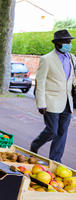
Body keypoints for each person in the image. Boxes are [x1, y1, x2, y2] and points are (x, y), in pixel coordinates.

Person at [31, 29, 76, 162]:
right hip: (51, 102)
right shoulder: (46, 59)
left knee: (62, 133)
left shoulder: (72, 58)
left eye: (70, 41)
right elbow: (40, 82)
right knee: (52, 130)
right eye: (65, 41)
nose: (68, 43)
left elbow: (72, 78)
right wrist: (41, 104)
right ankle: (36, 144)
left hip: (68, 101)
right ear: (57, 43)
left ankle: (55, 161)